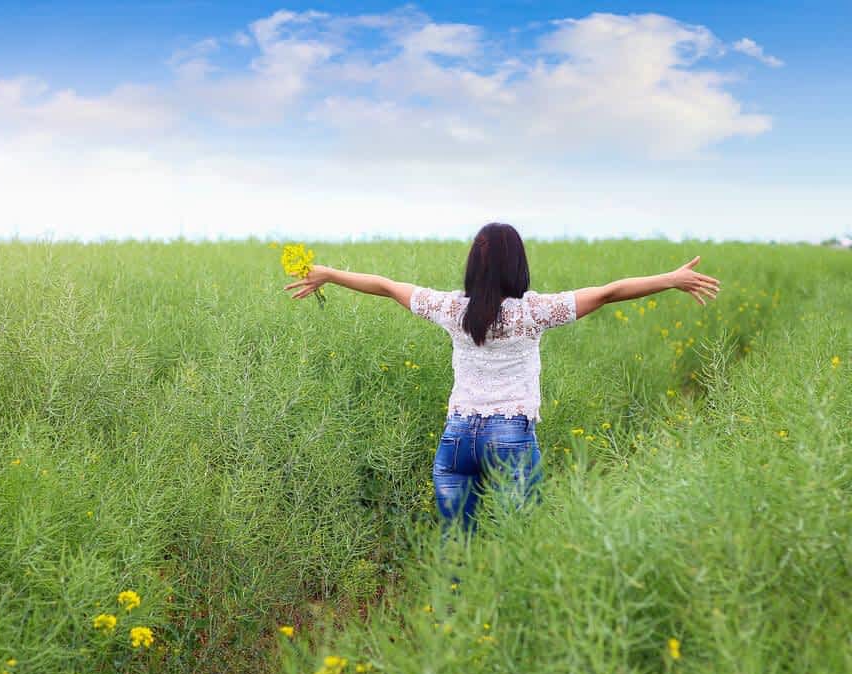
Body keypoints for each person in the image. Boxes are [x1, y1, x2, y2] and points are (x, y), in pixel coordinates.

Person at [283, 223, 720, 535]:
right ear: (519, 265)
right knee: (519, 542)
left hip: (455, 440)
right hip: (510, 436)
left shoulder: (451, 309)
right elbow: (608, 292)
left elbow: (386, 285)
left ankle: (457, 627)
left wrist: (329, 274)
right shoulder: (534, 312)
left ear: (473, 264)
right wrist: (670, 279)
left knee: (457, 550)